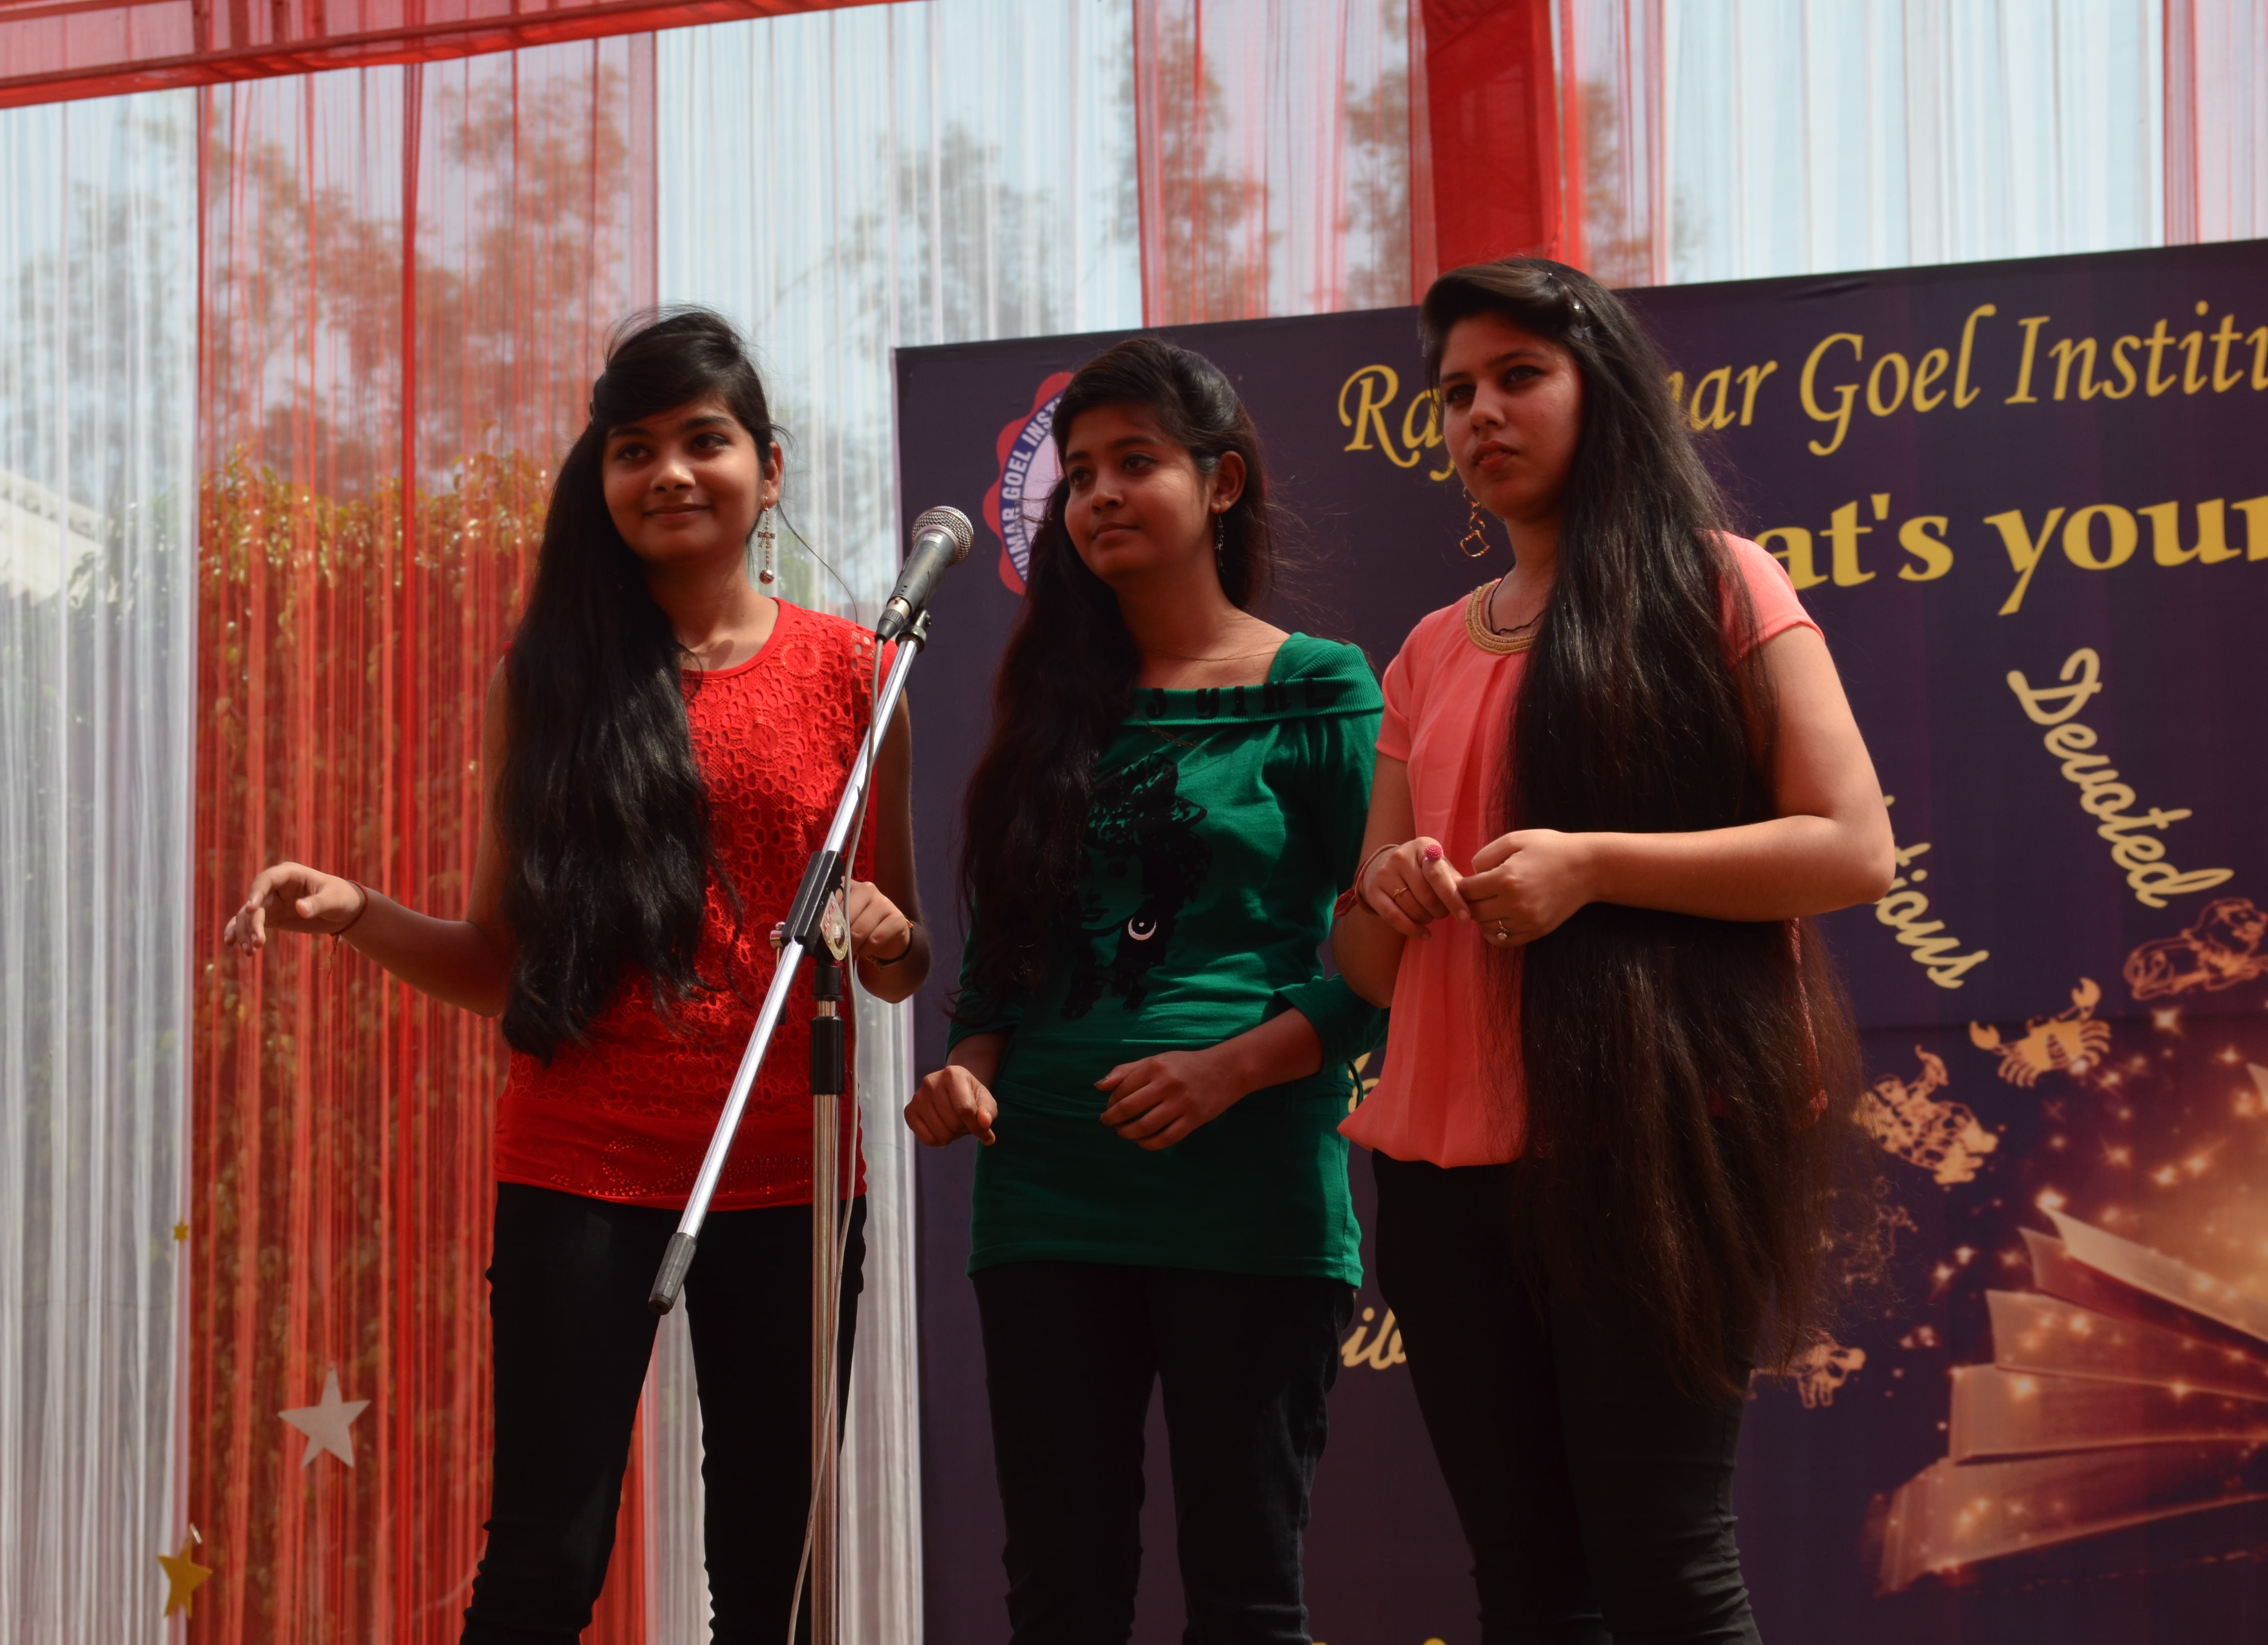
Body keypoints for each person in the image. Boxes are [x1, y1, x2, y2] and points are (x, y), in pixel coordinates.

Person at [221, 309, 931, 1645]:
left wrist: (888, 937)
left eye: (704, 440)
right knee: (545, 1564)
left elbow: (896, 968)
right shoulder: (548, 686)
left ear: (769, 468)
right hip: (580, 1171)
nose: (670, 472)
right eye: (633, 448)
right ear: (600, 479)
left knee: (776, 1578)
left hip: (790, 1173)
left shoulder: (862, 673)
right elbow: (505, 967)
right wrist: (356, 912)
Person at [1332, 259, 1893, 1644]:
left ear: (1607, 390)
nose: (1480, 413)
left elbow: (1851, 847)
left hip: (1654, 1134)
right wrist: (1390, 895)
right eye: (1456, 392)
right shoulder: (1425, 653)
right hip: (1444, 1179)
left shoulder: (1720, 582)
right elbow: (1363, 968)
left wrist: (1591, 867)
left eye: (1520, 376)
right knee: (1529, 1591)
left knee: (1666, 1572)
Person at [905, 337, 1384, 1645]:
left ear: (1221, 484)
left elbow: (1390, 956)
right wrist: (969, 1073)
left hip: (1251, 1185)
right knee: (1060, 1595)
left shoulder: (1319, 687)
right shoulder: (1050, 703)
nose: (1101, 495)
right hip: (1048, 1190)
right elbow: (1005, 964)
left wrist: (1230, 1071)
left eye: (1136, 463)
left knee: (1247, 1597)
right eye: (1079, 475)